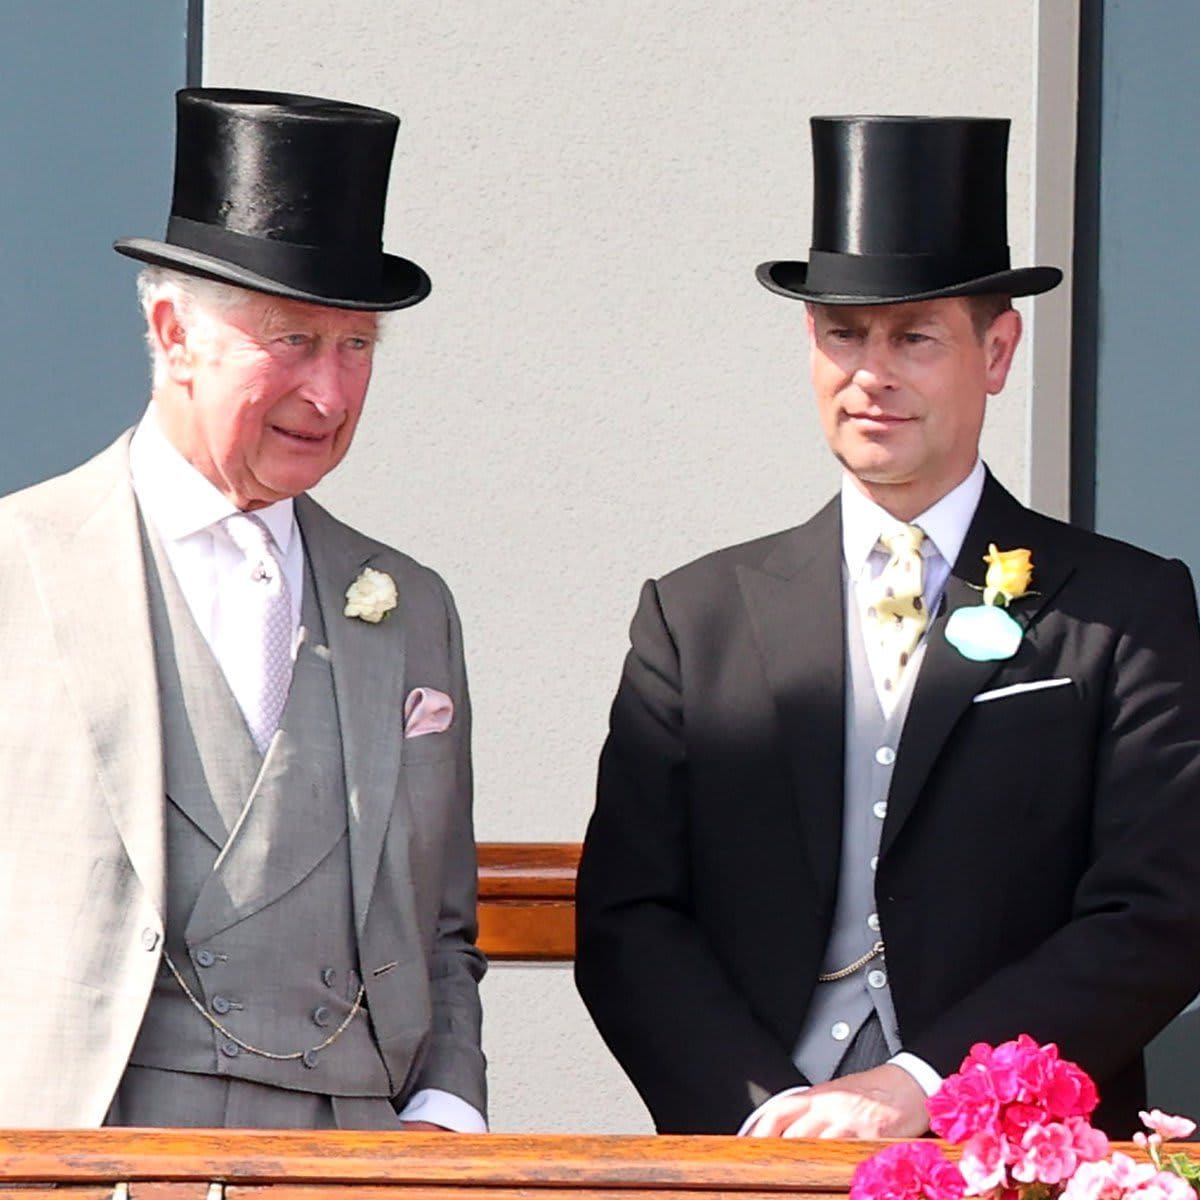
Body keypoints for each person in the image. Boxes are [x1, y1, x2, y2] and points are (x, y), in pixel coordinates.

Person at [575, 115, 1200, 1139]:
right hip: (757, 1150)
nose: (872, 374)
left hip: (1014, 1154)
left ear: (996, 352)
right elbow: (630, 918)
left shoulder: (1126, 607)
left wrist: (929, 1084)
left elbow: (1159, 912)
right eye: (843, 334)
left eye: (914, 336)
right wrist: (764, 1113)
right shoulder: (696, 616)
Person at [0, 89, 485, 1130]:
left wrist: (447, 1115)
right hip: (90, 1138)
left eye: (357, 348)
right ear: (175, 334)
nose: (330, 393)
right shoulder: (14, 567)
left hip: (359, 1150)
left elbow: (442, 926)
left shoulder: (411, 606)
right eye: (294, 340)